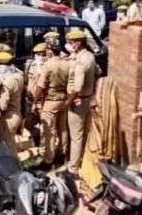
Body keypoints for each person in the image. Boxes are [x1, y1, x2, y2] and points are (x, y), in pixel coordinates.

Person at [65, 30, 98, 174]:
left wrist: (68, 102)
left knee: (76, 137)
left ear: (78, 43)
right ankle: (82, 160)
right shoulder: (89, 56)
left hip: (77, 101)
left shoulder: (80, 62)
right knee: (84, 133)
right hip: (87, 98)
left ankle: (73, 167)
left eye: (71, 42)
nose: (69, 45)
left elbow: (77, 87)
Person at [34, 43, 70, 169]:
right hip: (64, 99)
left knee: (48, 130)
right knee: (63, 129)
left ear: (50, 52)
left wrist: (35, 101)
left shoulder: (48, 65)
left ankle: (48, 159)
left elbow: (41, 85)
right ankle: (62, 153)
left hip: (51, 100)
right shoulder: (67, 64)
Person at [0, 51, 23, 154]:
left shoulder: (6, 81)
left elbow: (3, 106)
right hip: (16, 113)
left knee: (8, 148)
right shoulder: (18, 74)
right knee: (10, 144)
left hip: (8, 117)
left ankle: (13, 168)